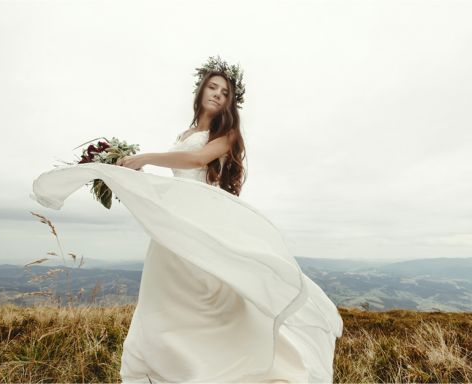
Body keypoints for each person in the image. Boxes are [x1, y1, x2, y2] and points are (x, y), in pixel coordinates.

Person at [30, 56, 343, 383]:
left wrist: (145, 157)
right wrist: (128, 174)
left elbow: (196, 159)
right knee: (163, 298)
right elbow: (180, 172)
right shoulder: (187, 131)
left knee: (205, 298)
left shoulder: (229, 134)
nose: (218, 95)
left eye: (224, 92)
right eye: (213, 87)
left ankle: (217, 368)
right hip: (175, 221)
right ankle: (161, 369)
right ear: (201, 89)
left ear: (229, 102)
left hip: (201, 220)